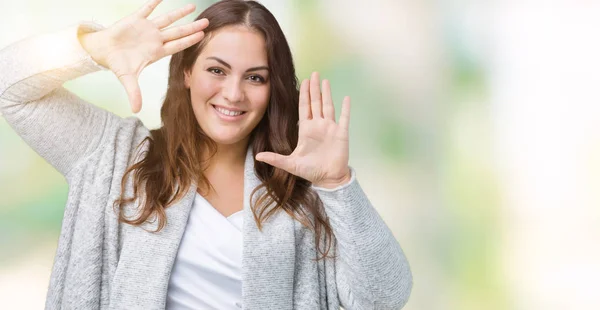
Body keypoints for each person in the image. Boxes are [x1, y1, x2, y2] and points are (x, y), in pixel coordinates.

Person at [0, 0, 412, 309]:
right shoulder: (115, 154)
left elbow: (385, 297)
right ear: (186, 72)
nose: (233, 94)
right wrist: (97, 46)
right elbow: (9, 86)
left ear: (272, 90)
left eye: (255, 77)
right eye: (217, 70)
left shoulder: (300, 194)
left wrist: (337, 185)